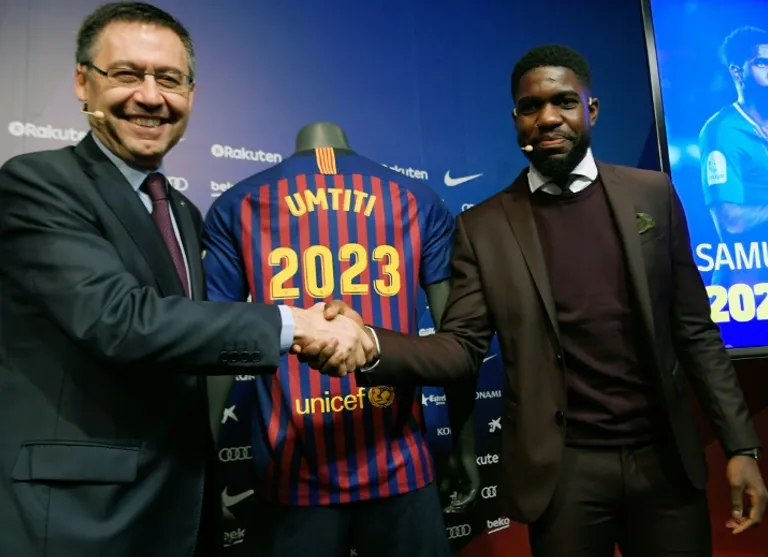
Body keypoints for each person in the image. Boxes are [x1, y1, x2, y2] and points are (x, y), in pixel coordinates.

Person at [303, 44, 768, 557]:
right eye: (531, 107)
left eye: (564, 101)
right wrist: (371, 343)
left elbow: (695, 331)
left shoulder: (652, 194)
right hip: (564, 475)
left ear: (591, 110)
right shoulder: (482, 227)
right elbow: (460, 348)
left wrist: (740, 445)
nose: (547, 118)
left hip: (665, 463)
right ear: (516, 119)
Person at [0, 3, 368, 557]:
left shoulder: (182, 212)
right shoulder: (37, 183)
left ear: (190, 95)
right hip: (85, 518)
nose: (151, 97)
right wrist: (299, 325)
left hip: (181, 504)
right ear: (83, 81)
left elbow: (186, 337)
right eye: (127, 74)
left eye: (169, 80)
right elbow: (120, 320)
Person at [201, 121, 471, 556]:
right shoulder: (415, 197)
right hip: (380, 466)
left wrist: (203, 469)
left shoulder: (241, 202)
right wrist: (466, 447)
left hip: (306, 469)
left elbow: (214, 343)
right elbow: (456, 339)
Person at [699, 26, 768, 286]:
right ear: (737, 72)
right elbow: (731, 221)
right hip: (748, 287)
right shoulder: (722, 131)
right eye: (762, 63)